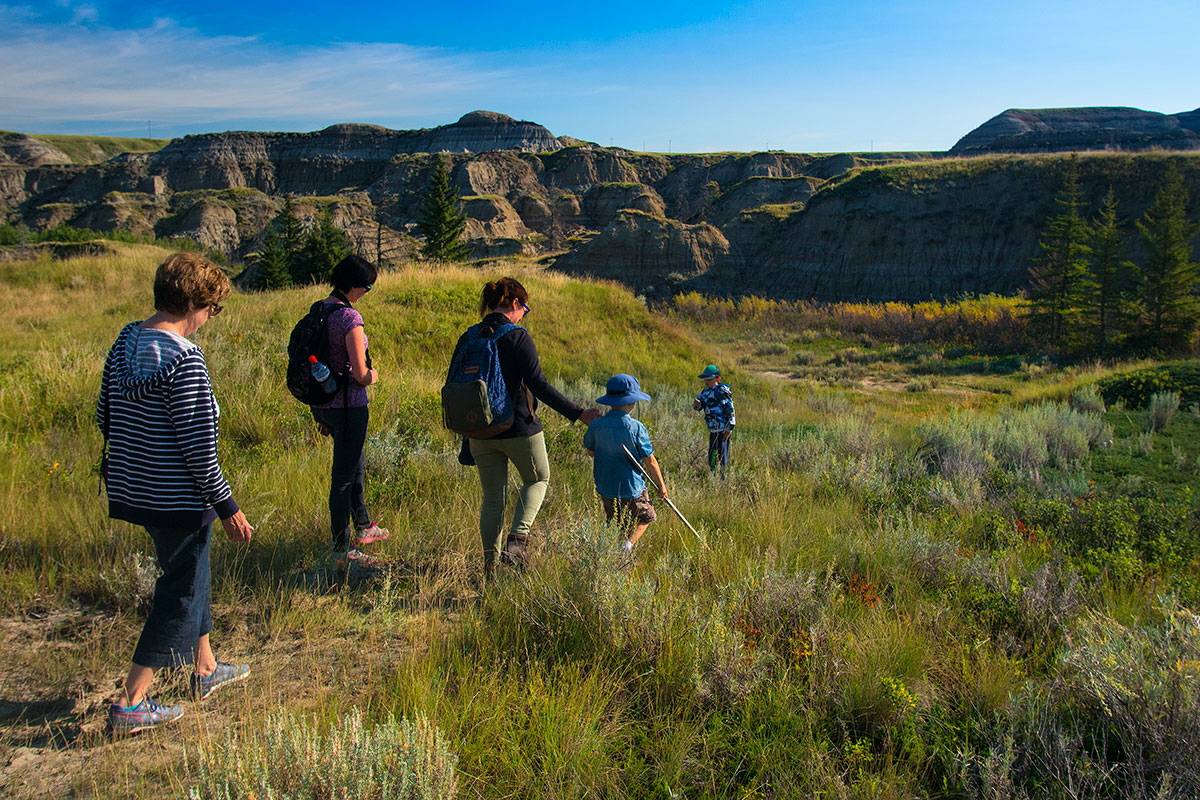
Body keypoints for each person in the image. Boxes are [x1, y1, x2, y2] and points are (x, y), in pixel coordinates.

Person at [96, 252, 253, 735]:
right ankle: (131, 701)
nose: (210, 318)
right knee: (181, 592)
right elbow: (199, 451)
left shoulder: (125, 342)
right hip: (178, 497)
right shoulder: (185, 359)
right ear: (191, 301)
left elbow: (104, 414)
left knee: (190, 572)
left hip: (133, 488)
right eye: (211, 307)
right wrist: (228, 507)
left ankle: (205, 669)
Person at [451, 277, 601, 574]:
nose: (524, 315)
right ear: (515, 304)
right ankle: (517, 541)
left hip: (479, 431)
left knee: (492, 500)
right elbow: (540, 386)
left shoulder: (468, 337)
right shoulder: (517, 336)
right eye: (525, 308)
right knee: (538, 480)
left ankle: (489, 569)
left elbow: (455, 387)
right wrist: (579, 413)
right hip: (519, 427)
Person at [310, 254, 388, 566]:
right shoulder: (349, 319)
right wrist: (374, 376)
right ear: (355, 286)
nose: (366, 294)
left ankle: (365, 526)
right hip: (349, 405)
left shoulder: (319, 309)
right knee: (343, 476)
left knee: (355, 463)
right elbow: (359, 373)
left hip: (323, 404)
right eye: (367, 288)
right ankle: (342, 548)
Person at [583, 374, 668, 554]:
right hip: (632, 487)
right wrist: (661, 486)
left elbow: (591, 451)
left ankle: (615, 553)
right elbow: (649, 460)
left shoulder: (596, 425)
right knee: (646, 517)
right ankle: (626, 547)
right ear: (631, 402)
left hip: (606, 486)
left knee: (616, 522)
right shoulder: (636, 427)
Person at [693, 364, 736, 473]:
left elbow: (730, 409)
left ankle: (723, 478)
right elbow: (698, 407)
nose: (706, 381)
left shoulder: (722, 391)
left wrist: (729, 428)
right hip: (713, 430)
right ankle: (713, 475)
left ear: (718, 379)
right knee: (712, 456)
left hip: (722, 430)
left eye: (709, 379)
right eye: (705, 379)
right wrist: (697, 404)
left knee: (721, 456)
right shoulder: (705, 392)